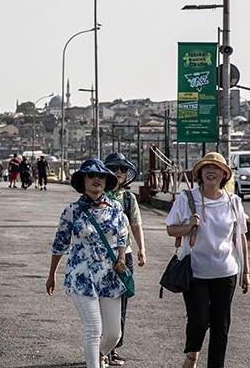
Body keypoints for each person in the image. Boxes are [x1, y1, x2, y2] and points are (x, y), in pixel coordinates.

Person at [166, 152, 250, 368]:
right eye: (206, 168)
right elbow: (171, 229)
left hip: (226, 271)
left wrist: (246, 272)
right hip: (195, 271)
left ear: (224, 175)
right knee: (199, 320)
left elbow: (240, 237)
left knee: (221, 326)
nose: (211, 172)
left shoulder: (233, 201)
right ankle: (192, 354)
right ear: (200, 173)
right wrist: (189, 226)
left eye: (217, 169)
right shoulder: (186, 198)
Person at [47, 158, 130, 368]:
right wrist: (52, 275)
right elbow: (59, 244)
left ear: (106, 181)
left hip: (110, 276)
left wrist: (122, 258)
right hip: (81, 276)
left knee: (113, 333)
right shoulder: (71, 211)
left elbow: (123, 236)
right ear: (83, 181)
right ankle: (93, 362)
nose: (96, 179)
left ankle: (98, 354)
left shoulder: (115, 208)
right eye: (91, 175)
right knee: (93, 329)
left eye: (101, 176)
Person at [102, 153, 146, 366]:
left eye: (123, 169)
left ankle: (114, 347)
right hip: (100, 256)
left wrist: (141, 249)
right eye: (114, 168)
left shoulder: (129, 198)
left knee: (122, 301)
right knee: (101, 302)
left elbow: (136, 225)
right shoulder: (98, 194)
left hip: (124, 255)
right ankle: (101, 346)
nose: (119, 173)